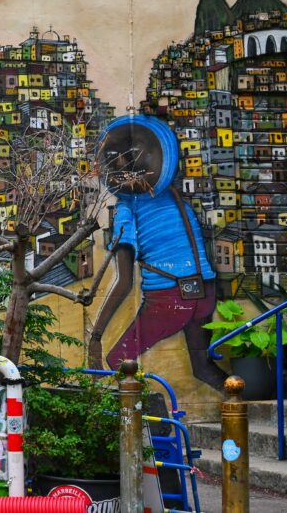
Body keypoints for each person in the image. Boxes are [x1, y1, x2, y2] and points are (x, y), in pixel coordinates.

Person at [88, 115, 225, 390]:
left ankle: (146, 423)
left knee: (118, 361)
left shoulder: (127, 211)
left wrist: (96, 334)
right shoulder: (174, 198)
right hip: (205, 291)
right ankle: (243, 403)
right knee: (202, 368)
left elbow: (124, 282)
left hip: (168, 299)